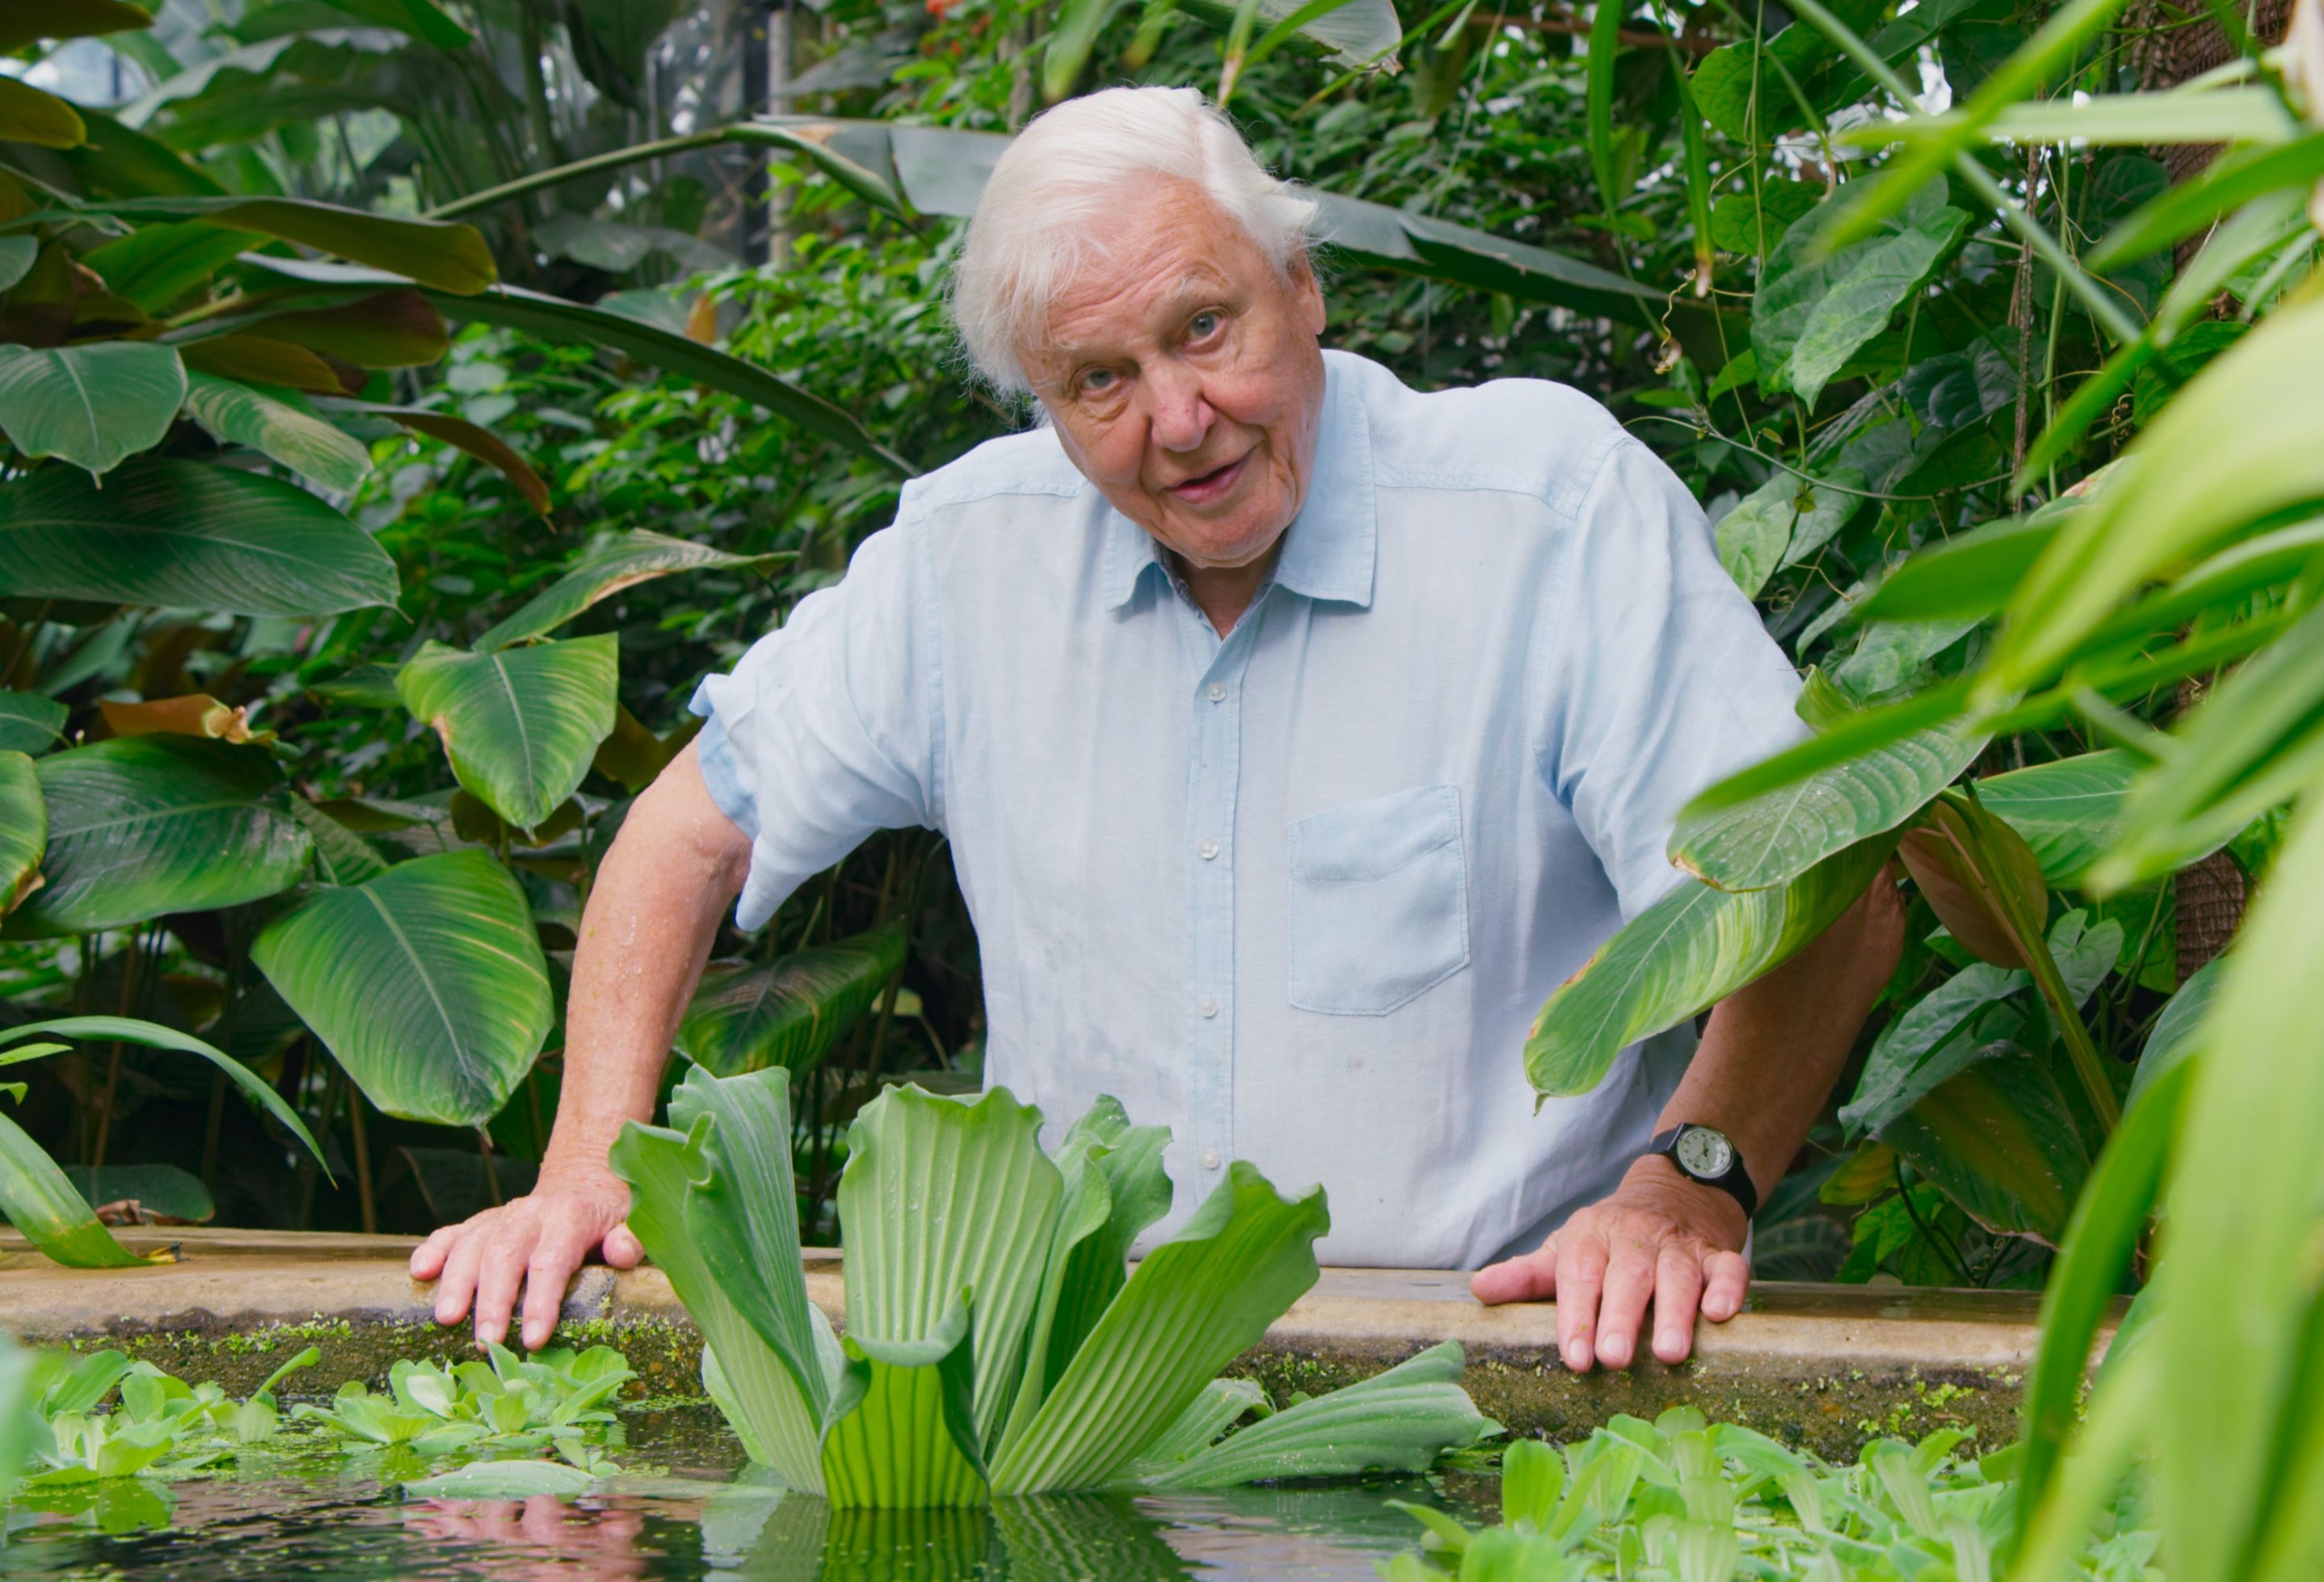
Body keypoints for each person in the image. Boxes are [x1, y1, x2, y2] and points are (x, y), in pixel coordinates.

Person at [413, 86, 1901, 1372]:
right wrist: (583, 1172)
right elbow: (689, 827)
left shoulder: (1549, 513)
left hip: (1501, 1375)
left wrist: (1688, 1180)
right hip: (1073, 1412)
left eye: (1206, 328)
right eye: (1100, 380)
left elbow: (1829, 884)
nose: (1178, 419)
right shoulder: (964, 559)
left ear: (1302, 285)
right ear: (1045, 408)